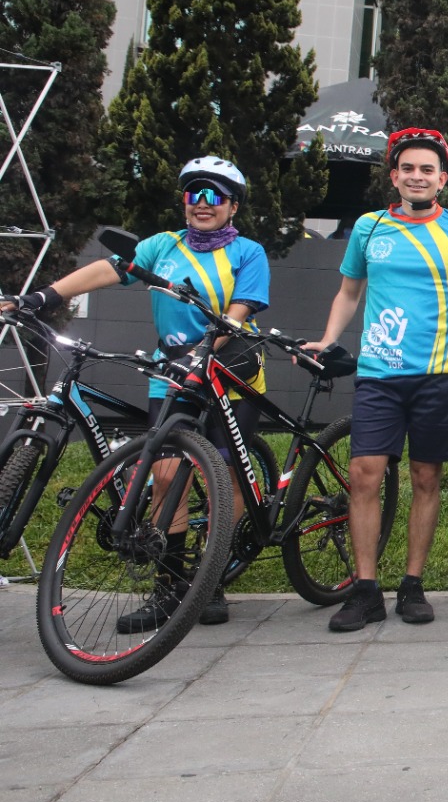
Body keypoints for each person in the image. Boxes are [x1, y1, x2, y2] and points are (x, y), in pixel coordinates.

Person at [6, 156, 270, 630]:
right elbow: (106, 270)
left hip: (231, 371)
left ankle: (211, 580)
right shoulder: (161, 246)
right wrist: (41, 297)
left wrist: (205, 349)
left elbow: (239, 311)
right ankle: (169, 588)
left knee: (226, 479)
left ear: (233, 206)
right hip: (171, 372)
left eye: (215, 196)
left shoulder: (248, 252)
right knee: (166, 476)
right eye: (194, 193)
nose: (203, 203)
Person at [306, 128, 448, 632]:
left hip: (439, 374)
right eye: (408, 168)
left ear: (442, 179)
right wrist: (328, 339)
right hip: (379, 373)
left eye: (427, 170)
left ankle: (413, 584)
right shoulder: (370, 228)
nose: (417, 176)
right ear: (394, 176)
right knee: (364, 474)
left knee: (426, 478)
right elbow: (349, 293)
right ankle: (365, 590)